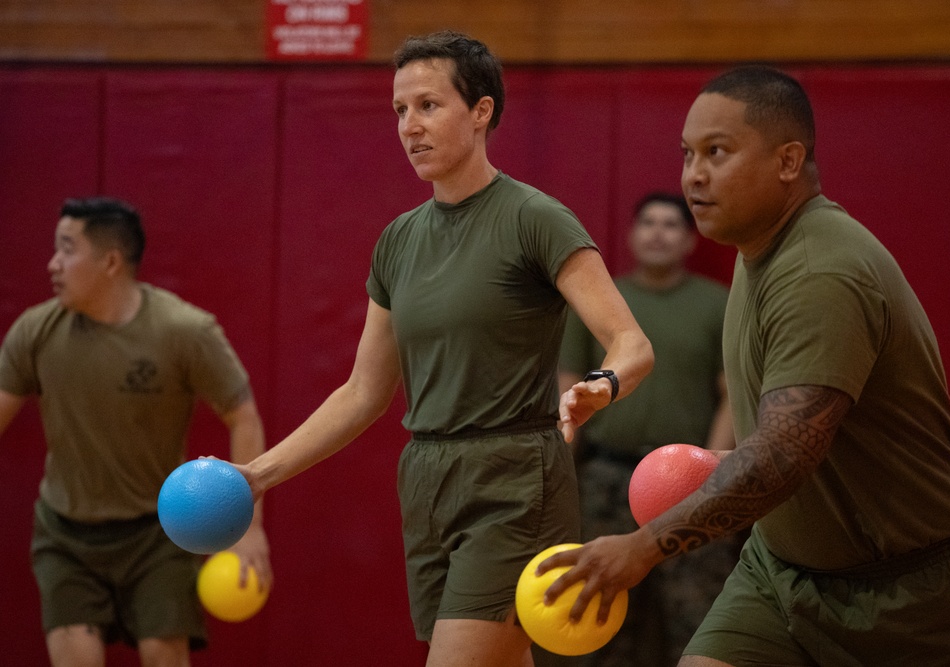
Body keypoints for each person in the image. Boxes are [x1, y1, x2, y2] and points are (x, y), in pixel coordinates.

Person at [536, 65, 950, 666]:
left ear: (787, 161)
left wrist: (644, 546)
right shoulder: (755, 251)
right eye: (688, 154)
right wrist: (723, 465)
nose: (694, 175)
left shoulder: (819, 270)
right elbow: (790, 442)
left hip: (912, 596)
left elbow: (783, 454)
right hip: (779, 572)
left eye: (718, 152)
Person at [225, 31, 653, 667]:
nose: (409, 127)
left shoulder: (535, 219)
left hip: (514, 479)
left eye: (428, 106)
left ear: (480, 112)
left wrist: (602, 383)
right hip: (427, 479)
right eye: (400, 111)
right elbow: (363, 392)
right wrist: (258, 475)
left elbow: (632, 344)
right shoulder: (398, 242)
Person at [0, 197, 272, 667]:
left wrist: (249, 528)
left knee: (162, 654)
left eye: (66, 250)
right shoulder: (36, 332)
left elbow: (243, 416)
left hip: (159, 534)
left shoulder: (184, 330)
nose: (52, 264)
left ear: (109, 262)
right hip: (65, 533)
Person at [536, 192, 740, 666]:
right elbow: (568, 395)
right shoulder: (600, 304)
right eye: (648, 222)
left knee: (698, 622)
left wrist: (708, 478)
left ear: (690, 239)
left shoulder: (719, 304)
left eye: (671, 224)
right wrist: (557, 484)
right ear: (631, 235)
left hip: (687, 485)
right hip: (605, 479)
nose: (658, 232)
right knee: (597, 620)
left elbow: (732, 395)